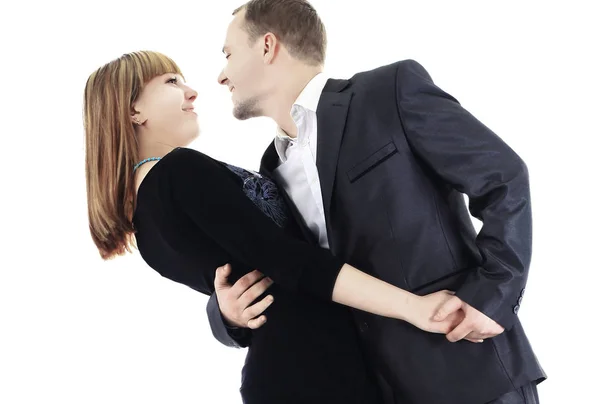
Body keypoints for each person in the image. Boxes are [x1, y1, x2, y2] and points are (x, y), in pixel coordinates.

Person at [207, 1, 547, 403]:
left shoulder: (389, 93)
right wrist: (225, 315)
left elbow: (503, 177)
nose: (220, 75)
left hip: (466, 371)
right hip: (365, 389)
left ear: (267, 46)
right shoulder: (270, 169)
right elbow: (291, 267)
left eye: (228, 54)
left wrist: (494, 295)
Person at [83, 50, 468, 404]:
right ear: (134, 110)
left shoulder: (144, 228)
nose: (191, 91)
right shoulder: (178, 172)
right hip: (315, 371)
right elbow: (292, 263)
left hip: (290, 372)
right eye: (171, 82)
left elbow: (250, 275)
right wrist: (413, 307)